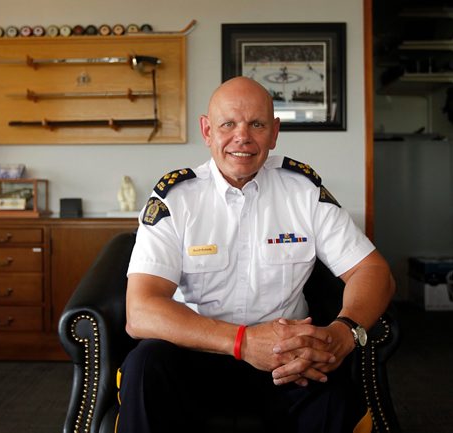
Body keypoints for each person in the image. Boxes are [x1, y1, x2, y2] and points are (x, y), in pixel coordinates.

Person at [118, 76, 395, 433]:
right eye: (228, 124)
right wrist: (243, 342)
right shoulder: (175, 199)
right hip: (196, 357)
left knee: (335, 394)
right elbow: (139, 312)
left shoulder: (303, 191)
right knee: (145, 366)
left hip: (286, 364)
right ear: (207, 130)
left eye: (257, 124)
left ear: (274, 132)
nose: (242, 137)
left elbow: (373, 271)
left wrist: (345, 332)